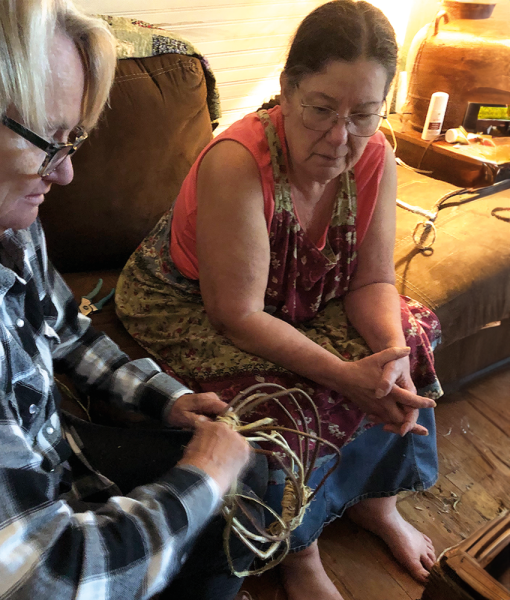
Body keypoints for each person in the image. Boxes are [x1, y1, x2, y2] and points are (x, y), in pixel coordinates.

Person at [0, 2, 262, 599]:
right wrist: (205, 473)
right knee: (223, 493)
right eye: (47, 140)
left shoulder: (2, 214)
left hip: (51, 461)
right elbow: (42, 580)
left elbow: (63, 328)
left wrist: (165, 400)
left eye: (72, 139)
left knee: (255, 484)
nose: (66, 173)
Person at [116, 1, 444, 598]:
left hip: (295, 295)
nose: (339, 136)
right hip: (193, 301)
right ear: (288, 89)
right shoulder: (236, 162)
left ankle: (379, 503)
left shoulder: (375, 157)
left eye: (363, 115)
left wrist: (389, 354)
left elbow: (372, 281)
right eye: (322, 109)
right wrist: (345, 375)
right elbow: (236, 315)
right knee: (289, 400)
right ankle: (300, 551)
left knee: (412, 339)